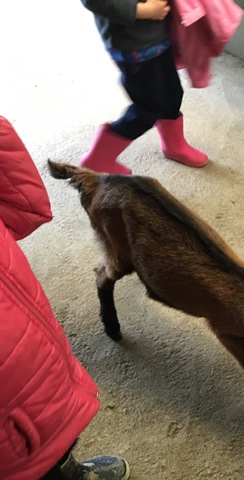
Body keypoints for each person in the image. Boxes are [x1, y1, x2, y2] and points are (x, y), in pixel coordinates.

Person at [0, 116, 130, 480]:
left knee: (51, 442)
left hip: (29, 361)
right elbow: (29, 207)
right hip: (11, 405)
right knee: (32, 457)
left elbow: (26, 210)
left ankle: (64, 468)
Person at [79, 0, 208, 175]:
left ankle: (174, 144)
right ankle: (98, 157)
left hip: (159, 34)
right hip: (133, 45)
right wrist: (142, 10)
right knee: (148, 108)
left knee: (172, 92)